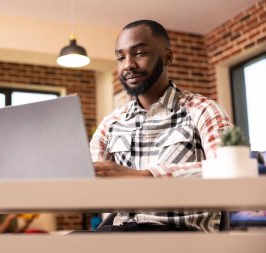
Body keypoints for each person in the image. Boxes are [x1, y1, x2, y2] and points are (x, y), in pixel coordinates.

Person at [90, 20, 233, 232]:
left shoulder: (204, 110)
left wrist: (145, 177)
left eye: (139, 53)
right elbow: (87, 183)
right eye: (121, 57)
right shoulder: (110, 124)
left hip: (182, 236)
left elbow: (228, 170)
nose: (128, 64)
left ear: (167, 57)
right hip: (121, 233)